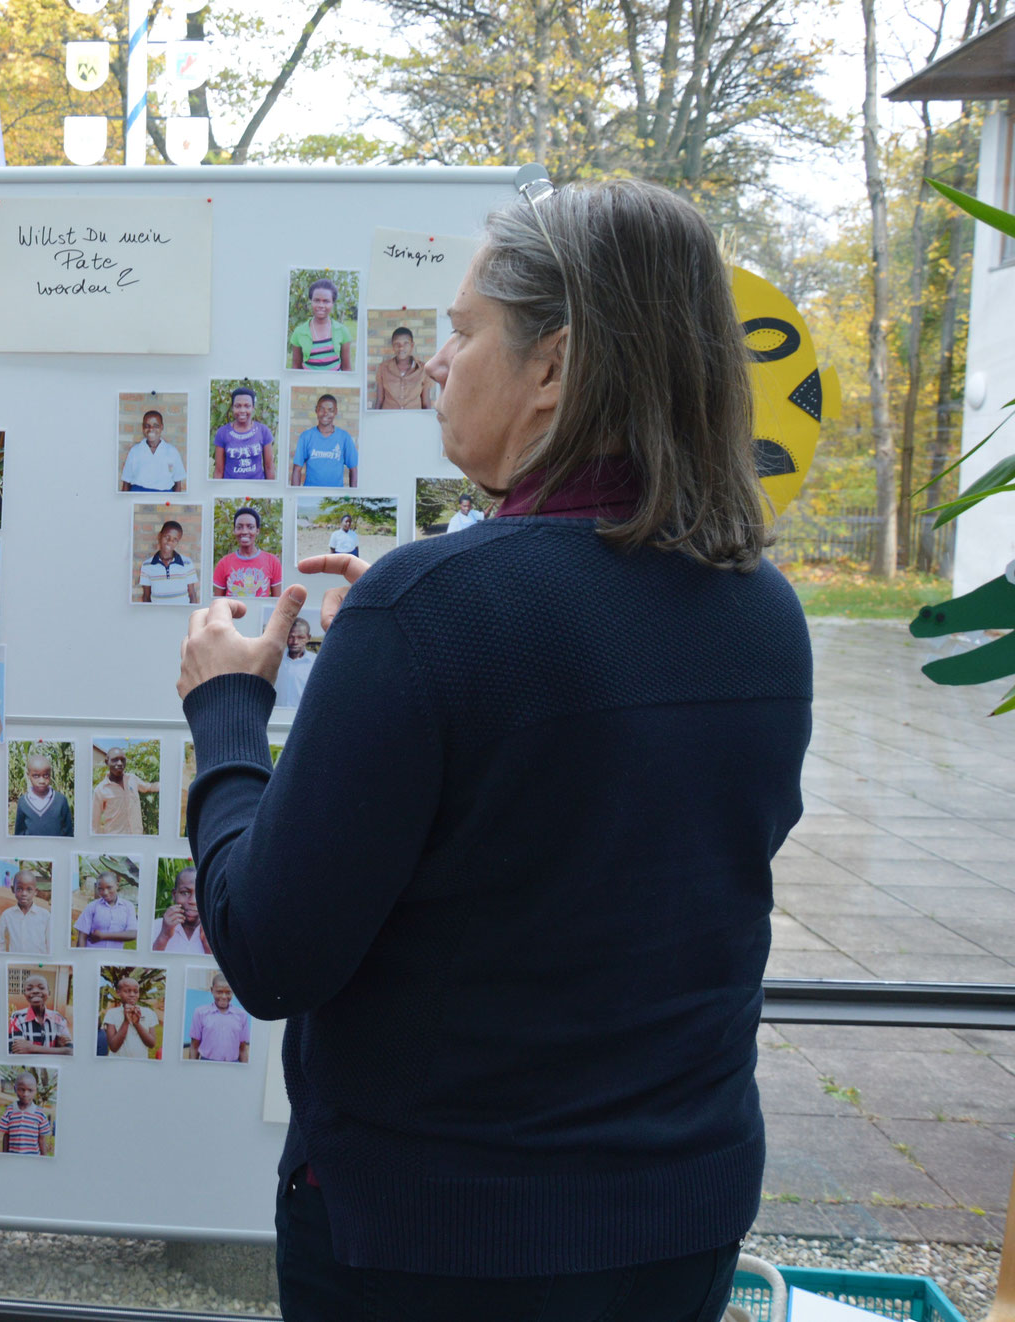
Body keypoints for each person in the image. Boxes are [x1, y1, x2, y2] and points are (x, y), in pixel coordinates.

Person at [176, 179, 808, 1320]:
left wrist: (226, 715)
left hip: (439, 1246)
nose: (432, 363)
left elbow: (269, 952)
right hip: (674, 1225)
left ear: (553, 369)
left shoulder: (431, 616)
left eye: (464, 332)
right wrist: (415, 647)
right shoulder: (759, 608)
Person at [211, 504, 281, 599]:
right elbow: (218, 603)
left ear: (257, 531)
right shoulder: (223, 563)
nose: (244, 531)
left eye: (250, 527)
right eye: (239, 527)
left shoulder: (272, 562)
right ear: (234, 531)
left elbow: (278, 603)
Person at [290, 393, 359, 488]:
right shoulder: (306, 436)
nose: (326, 413)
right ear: (316, 410)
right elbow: (297, 470)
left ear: (336, 412)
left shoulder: (344, 437)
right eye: (322, 409)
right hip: (310, 495)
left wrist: (353, 498)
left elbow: (353, 469)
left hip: (336, 497)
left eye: (330, 410)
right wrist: (294, 497)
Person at [289, 277, 354, 371]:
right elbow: (296, 368)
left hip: (335, 384)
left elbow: (347, 368)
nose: (321, 305)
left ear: (333, 304)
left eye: (326, 301)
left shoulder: (342, 331)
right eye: (316, 300)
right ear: (311, 301)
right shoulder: (299, 332)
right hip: (308, 384)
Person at [211, 385, 275, 480]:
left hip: (256, 491)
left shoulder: (263, 431)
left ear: (253, 408)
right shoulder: (222, 432)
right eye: (238, 406)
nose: (242, 410)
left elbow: (269, 468)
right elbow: (219, 471)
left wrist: (270, 494)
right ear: (232, 408)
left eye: (247, 406)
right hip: (230, 491)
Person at [91, 749, 158, 837]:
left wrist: (167, 785)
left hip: (136, 836)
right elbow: (94, 824)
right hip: (114, 839)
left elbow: (148, 787)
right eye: (115, 760)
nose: (119, 763)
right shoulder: (100, 790)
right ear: (107, 762)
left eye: (123, 760)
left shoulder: (132, 779)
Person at [184, 975, 249, 1063]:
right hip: (206, 1064)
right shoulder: (200, 1013)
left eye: (228, 992)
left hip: (233, 1066)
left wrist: (244, 1074)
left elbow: (242, 1049)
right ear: (212, 990)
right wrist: (192, 1070)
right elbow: (194, 1046)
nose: (223, 996)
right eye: (219, 992)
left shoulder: (242, 1015)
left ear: (233, 991)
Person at [120, 408, 188, 492]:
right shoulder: (135, 451)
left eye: (156, 426)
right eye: (147, 426)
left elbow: (178, 483)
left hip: (164, 497)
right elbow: (126, 481)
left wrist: (175, 503)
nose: (151, 429)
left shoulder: (172, 451)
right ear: (142, 427)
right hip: (139, 494)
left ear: (162, 427)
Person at [138, 518, 201, 605]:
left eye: (175, 540)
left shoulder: (187, 563)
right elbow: (146, 596)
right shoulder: (147, 565)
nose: (170, 542)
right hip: (158, 614)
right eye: (167, 537)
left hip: (181, 614)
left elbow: (192, 594)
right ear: (159, 536)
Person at [0, 868, 52, 954]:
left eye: (29, 889)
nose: (24, 894)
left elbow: (50, 943)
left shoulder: (45, 915)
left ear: (35, 891)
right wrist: (5, 962)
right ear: (13, 889)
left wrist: (47, 965)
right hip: (16, 965)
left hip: (39, 965)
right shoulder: (7, 915)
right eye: (19, 889)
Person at [151, 865, 212, 953]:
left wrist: (207, 943)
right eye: (185, 893)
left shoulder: (216, 931)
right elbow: (144, 967)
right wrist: (164, 935)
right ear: (174, 895)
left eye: (200, 893)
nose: (193, 901)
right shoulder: (155, 927)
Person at [373, 324, 435, 409]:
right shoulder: (383, 368)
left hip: (413, 419)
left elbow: (426, 402)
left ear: (412, 345)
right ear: (392, 346)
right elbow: (379, 400)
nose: (401, 348)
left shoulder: (423, 370)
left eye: (406, 343)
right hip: (389, 419)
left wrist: (427, 421)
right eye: (397, 344)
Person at [6, 974, 71, 1055]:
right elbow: (14, 1052)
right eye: (29, 989)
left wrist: (31, 1048)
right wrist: (57, 1049)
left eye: (41, 988)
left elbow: (69, 1051)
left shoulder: (58, 1018)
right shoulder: (17, 1018)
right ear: (25, 994)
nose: (35, 991)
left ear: (49, 993)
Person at [12, 752, 74, 837]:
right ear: (28, 775)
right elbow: (19, 833)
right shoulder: (23, 802)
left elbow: (68, 831)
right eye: (36, 776)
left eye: (46, 775)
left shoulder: (61, 800)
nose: (42, 781)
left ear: (50, 774)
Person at [73, 868, 138, 947]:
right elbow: (82, 937)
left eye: (109, 887)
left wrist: (103, 936)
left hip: (115, 957)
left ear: (117, 886)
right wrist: (81, 957)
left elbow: (133, 934)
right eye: (100, 889)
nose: (105, 892)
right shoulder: (92, 907)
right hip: (92, 956)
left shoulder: (128, 907)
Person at [102, 973, 161, 1059]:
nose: (132, 994)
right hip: (117, 1064)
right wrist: (126, 1021)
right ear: (118, 992)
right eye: (127, 991)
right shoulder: (111, 1014)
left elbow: (152, 1044)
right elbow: (113, 1047)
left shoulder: (148, 1012)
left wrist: (137, 1024)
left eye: (135, 991)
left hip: (140, 1063)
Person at [0, 1071, 52, 1154]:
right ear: (15, 1089)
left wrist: (44, 1161)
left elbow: (42, 1140)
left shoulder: (40, 1114)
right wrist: (5, 1156)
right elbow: (6, 1136)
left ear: (36, 1091)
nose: (25, 1094)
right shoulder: (9, 1111)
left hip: (33, 1160)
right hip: (13, 1157)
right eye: (22, 1090)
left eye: (30, 1090)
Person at [274, 618, 315, 709]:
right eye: (290, 637)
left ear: (308, 638)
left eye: (300, 637)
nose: (295, 642)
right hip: (277, 718)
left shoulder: (316, 663)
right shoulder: (274, 661)